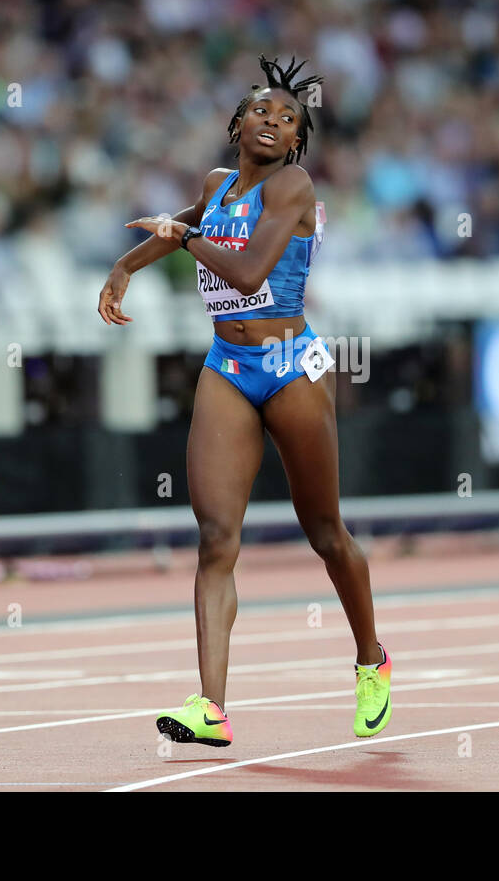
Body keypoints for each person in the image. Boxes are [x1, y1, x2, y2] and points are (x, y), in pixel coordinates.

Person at [98, 56, 390, 746]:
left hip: (290, 366)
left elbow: (249, 267)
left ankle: (371, 660)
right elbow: (182, 224)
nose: (274, 122)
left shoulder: (293, 185)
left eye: (289, 119)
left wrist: (184, 238)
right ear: (236, 125)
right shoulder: (217, 185)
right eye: (262, 110)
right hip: (228, 364)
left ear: (296, 142)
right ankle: (211, 707)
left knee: (325, 532)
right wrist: (124, 267)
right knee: (214, 537)